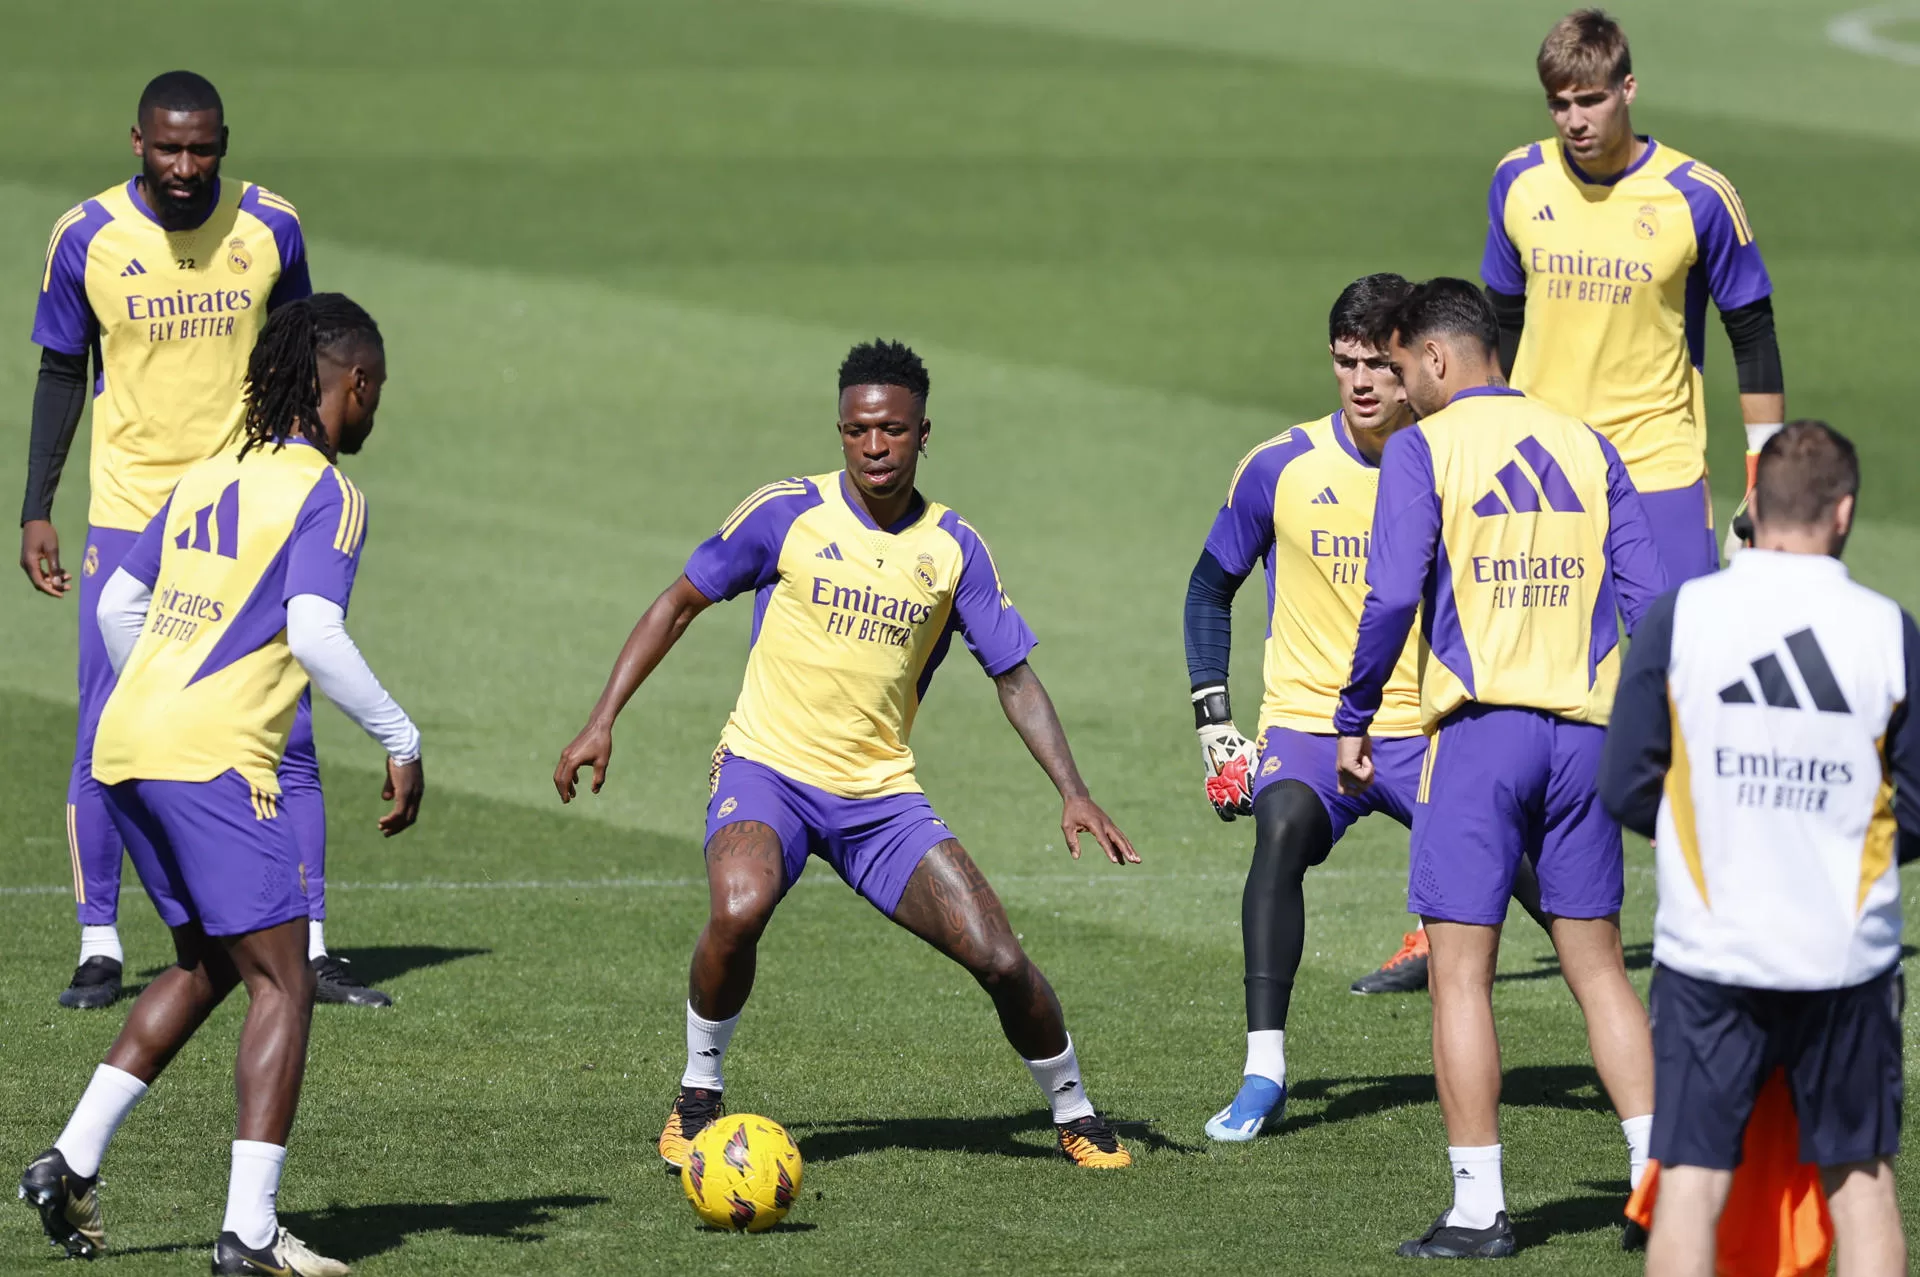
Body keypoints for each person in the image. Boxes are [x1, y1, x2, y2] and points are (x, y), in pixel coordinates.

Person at [554, 339, 1141, 1177]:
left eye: (892, 430)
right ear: (840, 430)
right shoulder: (786, 512)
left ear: (923, 433)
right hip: (766, 770)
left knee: (1000, 957)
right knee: (738, 907)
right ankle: (699, 1092)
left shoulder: (954, 548)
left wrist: (1073, 790)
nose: (874, 446)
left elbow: (1013, 676)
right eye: (857, 430)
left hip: (878, 798)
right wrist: (601, 719)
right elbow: (679, 602)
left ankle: (1075, 1110)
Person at [17, 295, 423, 1275]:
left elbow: (119, 600)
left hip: (124, 744)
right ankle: (249, 1231)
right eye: (375, 391)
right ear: (353, 382)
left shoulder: (209, 469)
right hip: (208, 760)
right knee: (285, 980)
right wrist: (400, 736)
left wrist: (160, 691)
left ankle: (69, 1160)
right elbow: (316, 631)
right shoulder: (329, 492)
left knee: (204, 962)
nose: (374, 409)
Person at [22, 70, 387, 1009]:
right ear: (136, 143)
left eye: (201, 149)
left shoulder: (270, 226)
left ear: (224, 143)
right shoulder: (86, 237)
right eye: (168, 148)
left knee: (287, 730)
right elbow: (61, 371)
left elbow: (309, 348)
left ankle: (309, 941)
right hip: (129, 512)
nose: (185, 167)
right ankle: (99, 942)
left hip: (241, 508)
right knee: (107, 725)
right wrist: (36, 508)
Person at [1332, 279, 1665, 1258]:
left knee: (1461, 978)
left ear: (1436, 357)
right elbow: (1652, 602)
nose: (1397, 388)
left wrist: (1353, 714)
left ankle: (1480, 1209)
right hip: (1587, 739)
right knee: (1599, 967)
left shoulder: (1423, 448)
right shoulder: (1588, 443)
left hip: (1479, 739)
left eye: (1400, 368)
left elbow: (1393, 594)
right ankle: (1659, 1181)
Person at [1600, 420, 1913, 1277]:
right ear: (1842, 512)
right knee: (1861, 1183)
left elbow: (1623, 781)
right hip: (1846, 957)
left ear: (1756, 506)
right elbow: (1916, 806)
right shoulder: (1887, 630)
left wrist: (1717, 831)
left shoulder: (1685, 616)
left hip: (1711, 952)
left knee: (1691, 1180)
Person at [1187, 274, 1448, 1141]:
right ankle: (1264, 1069)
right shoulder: (1281, 465)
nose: (1362, 381)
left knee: (1533, 869)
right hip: (1305, 724)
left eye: (1380, 364)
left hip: (1425, 724)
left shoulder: (1453, 458)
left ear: (1413, 362)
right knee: (1283, 828)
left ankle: (1635, 1060)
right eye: (1346, 362)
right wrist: (1215, 721)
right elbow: (1208, 588)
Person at [1480, 8, 1785, 582]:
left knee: (1672, 631)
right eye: (1558, 104)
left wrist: (1764, 479)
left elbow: (1752, 335)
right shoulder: (1518, 179)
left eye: (1590, 100)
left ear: (1628, 88)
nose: (1574, 121)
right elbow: (1502, 320)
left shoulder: (1699, 196)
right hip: (1540, 461)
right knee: (1547, 640)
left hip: (1658, 465)